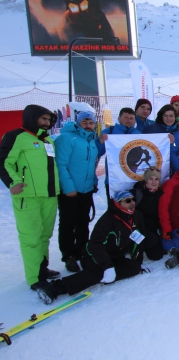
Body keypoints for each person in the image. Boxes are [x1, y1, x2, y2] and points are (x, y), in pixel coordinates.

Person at [33, 191, 149, 304]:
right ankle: (56, 288)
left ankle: (106, 274)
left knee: (135, 268)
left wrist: (138, 261)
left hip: (115, 256)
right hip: (93, 255)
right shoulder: (107, 219)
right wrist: (107, 267)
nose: (132, 203)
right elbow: (95, 245)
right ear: (118, 203)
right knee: (97, 273)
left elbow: (138, 238)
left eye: (133, 199)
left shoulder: (137, 216)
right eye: (127, 201)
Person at [0, 105, 61, 293]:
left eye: (49, 120)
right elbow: (4, 161)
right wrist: (13, 182)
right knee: (31, 237)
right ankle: (35, 278)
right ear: (31, 118)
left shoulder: (47, 139)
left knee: (44, 235)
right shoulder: (16, 136)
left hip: (49, 195)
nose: (46, 122)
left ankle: (42, 268)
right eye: (43, 119)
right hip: (28, 196)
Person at [54, 110, 107, 272]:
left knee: (83, 223)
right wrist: (68, 188)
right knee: (68, 224)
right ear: (78, 123)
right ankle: (69, 256)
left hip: (86, 190)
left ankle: (83, 251)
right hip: (70, 191)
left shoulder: (91, 140)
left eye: (91, 122)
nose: (88, 125)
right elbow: (61, 164)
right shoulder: (66, 138)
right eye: (85, 122)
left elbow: (91, 166)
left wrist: (93, 182)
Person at [129, 168, 165, 261]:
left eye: (156, 179)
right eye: (150, 179)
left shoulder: (161, 194)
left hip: (151, 228)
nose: (154, 182)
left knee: (157, 256)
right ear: (146, 180)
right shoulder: (136, 193)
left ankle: (143, 244)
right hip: (135, 228)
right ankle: (132, 245)